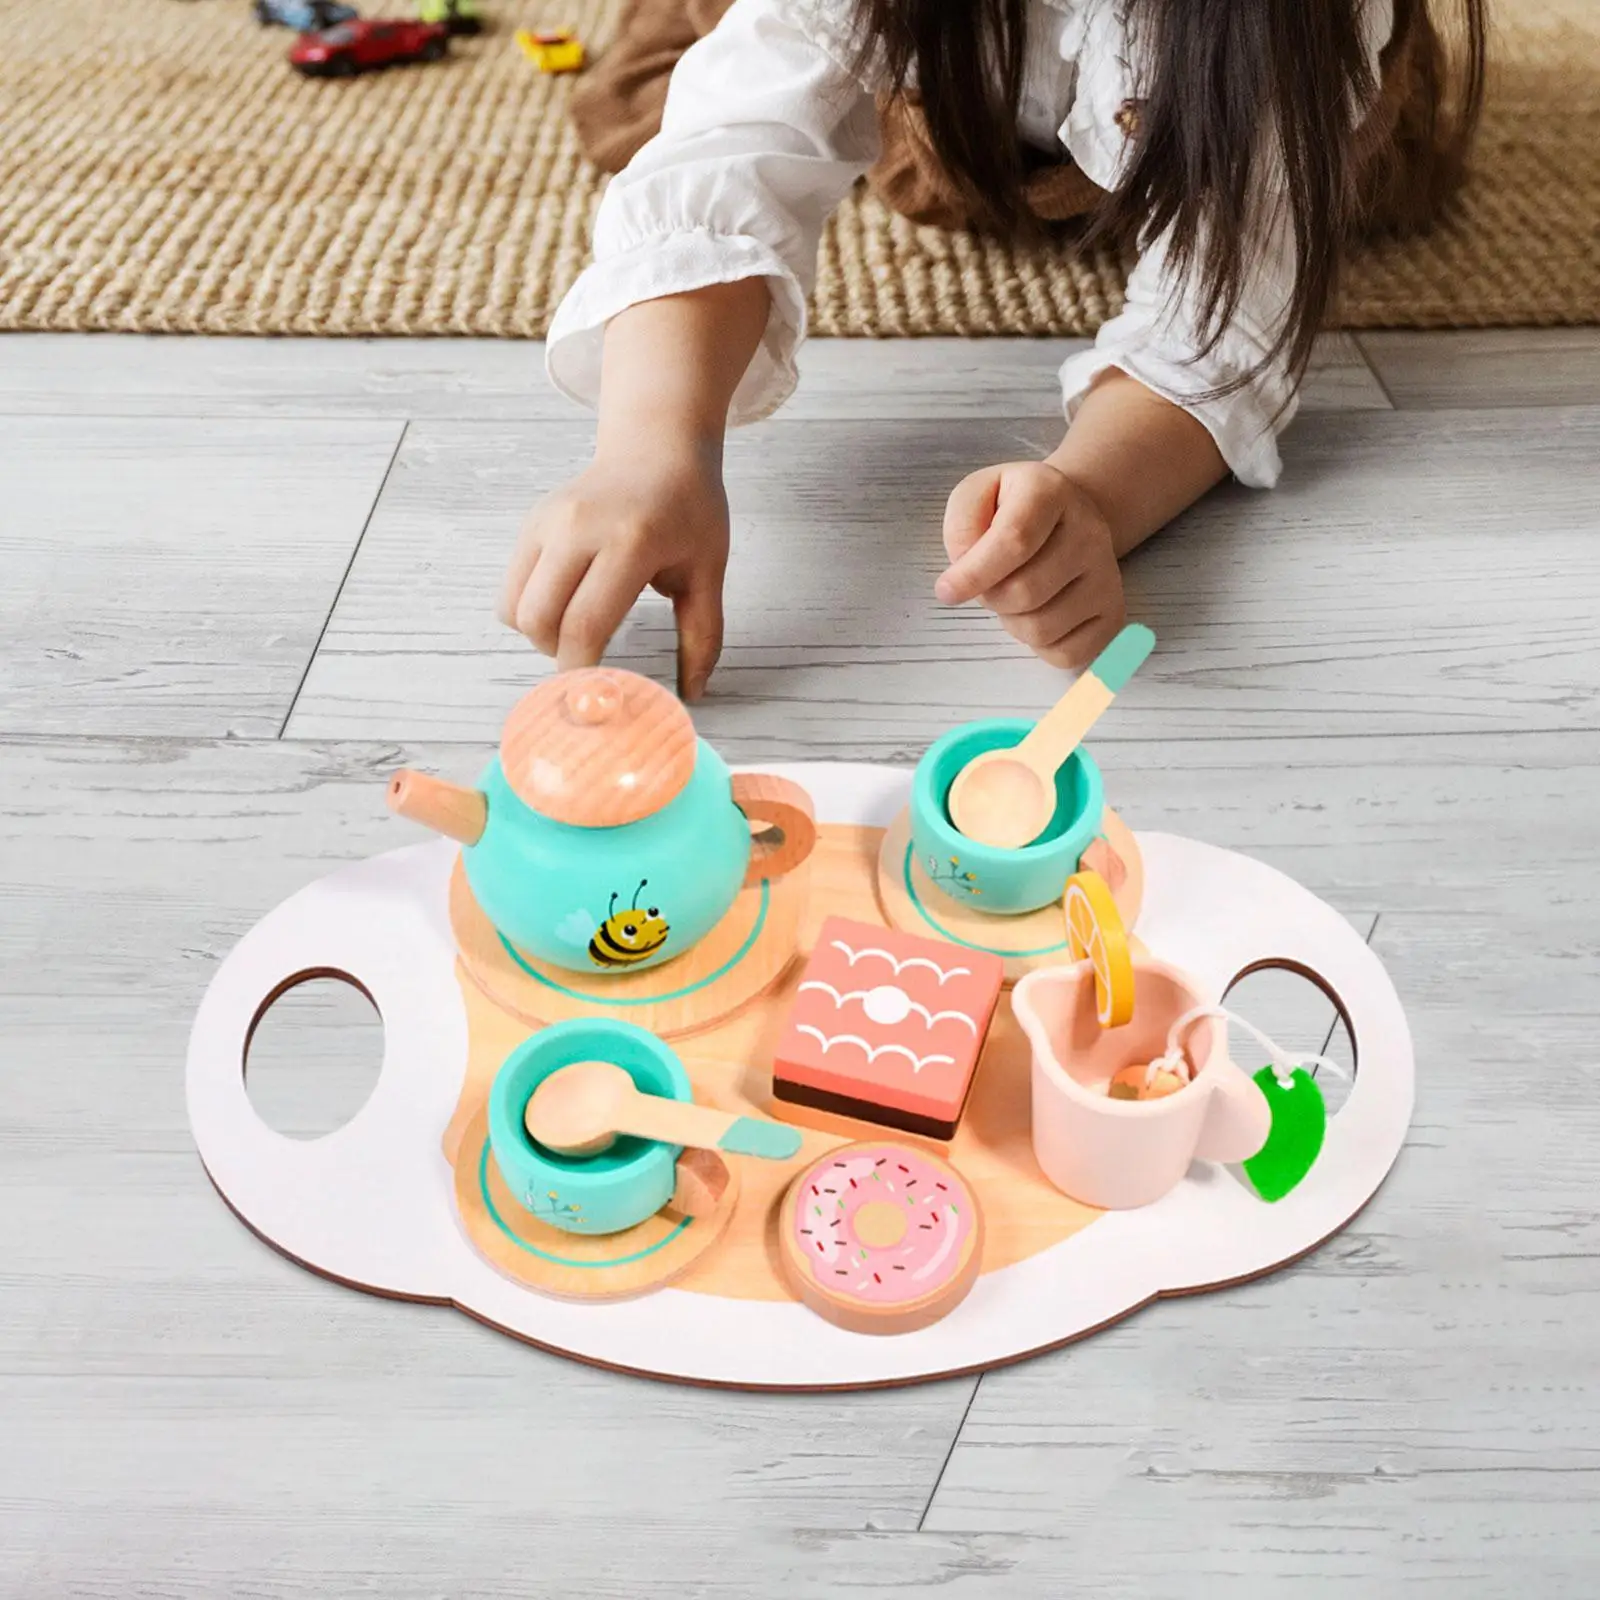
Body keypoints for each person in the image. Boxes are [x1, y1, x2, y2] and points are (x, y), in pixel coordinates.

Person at [501, 0, 1485, 697]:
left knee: (1382, 177)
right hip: (955, 74)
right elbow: (731, 156)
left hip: (1246, 62)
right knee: (660, 90)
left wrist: (1094, 494)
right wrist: (650, 446)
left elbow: (1223, 328)